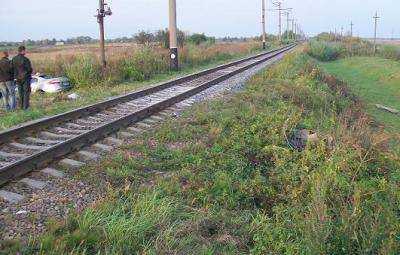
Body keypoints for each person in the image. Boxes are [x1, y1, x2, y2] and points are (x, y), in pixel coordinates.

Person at [12, 46, 33, 110]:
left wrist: (15, 76)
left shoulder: (14, 59)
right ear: (22, 51)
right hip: (25, 78)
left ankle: (21, 106)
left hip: (17, 78)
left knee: (20, 92)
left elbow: (12, 68)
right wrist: (29, 72)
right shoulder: (26, 59)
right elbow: (29, 69)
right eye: (25, 50)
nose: (25, 52)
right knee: (26, 92)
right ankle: (25, 107)